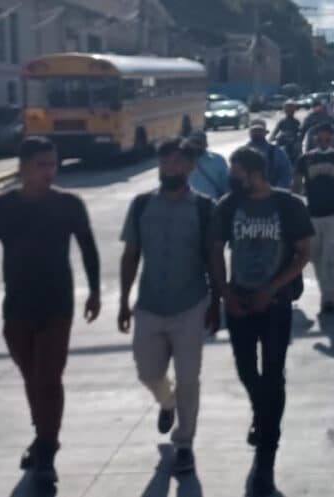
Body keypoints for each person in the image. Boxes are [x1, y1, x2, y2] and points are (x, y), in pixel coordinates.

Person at [0, 136, 101, 485]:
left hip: (56, 306)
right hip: (16, 308)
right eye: (41, 165)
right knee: (33, 379)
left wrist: (94, 291)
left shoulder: (69, 205)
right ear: (22, 168)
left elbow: (89, 248)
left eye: (53, 164)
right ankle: (42, 435)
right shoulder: (0, 208)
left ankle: (47, 452)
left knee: (48, 379)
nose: (49, 171)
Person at [209, 147, 314, 497]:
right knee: (245, 370)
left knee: (273, 374)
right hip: (239, 301)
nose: (233, 180)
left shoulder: (289, 206)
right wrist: (224, 293)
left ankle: (265, 460)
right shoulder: (228, 205)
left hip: (275, 304)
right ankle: (262, 411)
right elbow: (215, 250)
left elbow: (304, 254)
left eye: (238, 174)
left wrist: (271, 289)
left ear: (256, 173)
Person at [118, 138, 219, 475]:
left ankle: (185, 444)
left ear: (190, 167)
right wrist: (122, 300)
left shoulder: (205, 208)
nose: (170, 168)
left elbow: (214, 259)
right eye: (165, 162)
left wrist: (216, 301)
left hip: (190, 305)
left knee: (189, 378)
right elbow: (130, 255)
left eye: (177, 162)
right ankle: (166, 402)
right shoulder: (142, 205)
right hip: (149, 305)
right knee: (148, 372)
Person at [292, 122, 334, 314]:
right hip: (311, 215)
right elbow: (296, 186)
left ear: (333, 138)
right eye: (320, 137)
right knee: (316, 257)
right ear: (315, 138)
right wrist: (292, 211)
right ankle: (328, 291)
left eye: (327, 137)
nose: (324, 141)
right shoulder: (305, 160)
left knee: (332, 257)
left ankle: (328, 296)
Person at [245, 119, 292, 189]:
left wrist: (276, 192)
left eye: (259, 131)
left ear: (265, 132)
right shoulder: (242, 153)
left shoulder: (277, 152)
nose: (257, 133)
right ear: (250, 133)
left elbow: (285, 175)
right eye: (254, 131)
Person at [186, 131, 230, 199]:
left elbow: (226, 186)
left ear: (206, 144)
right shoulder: (183, 162)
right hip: (189, 205)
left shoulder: (217, 160)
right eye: (192, 142)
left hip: (211, 205)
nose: (195, 146)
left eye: (198, 142)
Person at [270, 101, 302, 165]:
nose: (289, 111)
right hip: (283, 141)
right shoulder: (282, 121)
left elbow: (300, 131)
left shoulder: (296, 121)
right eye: (288, 109)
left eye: (291, 110)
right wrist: (272, 138)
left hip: (293, 142)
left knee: (298, 152)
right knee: (276, 151)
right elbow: (275, 131)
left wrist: (298, 138)